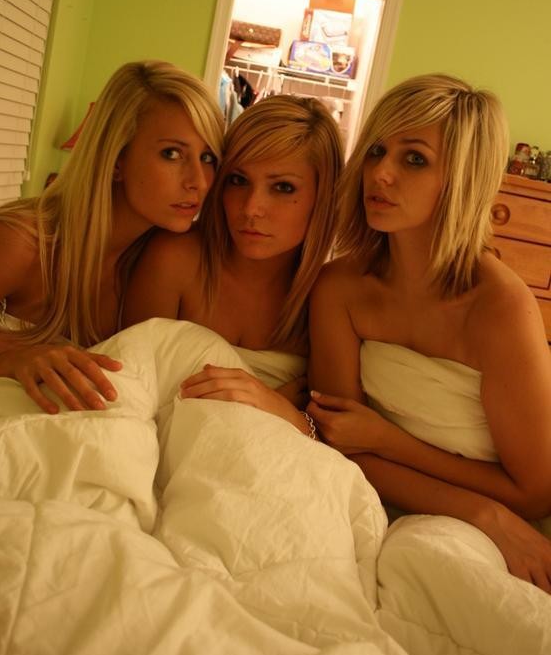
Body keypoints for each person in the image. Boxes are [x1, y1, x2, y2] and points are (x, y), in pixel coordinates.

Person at [306, 72, 551, 591]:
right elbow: (340, 441)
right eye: (376, 151)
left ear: (462, 179)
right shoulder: (340, 287)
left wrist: (390, 441)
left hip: (503, 527)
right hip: (368, 494)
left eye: (414, 159)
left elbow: (534, 493)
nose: (380, 173)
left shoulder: (500, 306)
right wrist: (477, 510)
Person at [0, 60, 224, 414]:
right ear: (116, 159)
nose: (198, 181)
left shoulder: (163, 260)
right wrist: (10, 363)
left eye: (208, 157)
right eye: (172, 154)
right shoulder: (19, 243)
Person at [123, 94, 345, 432]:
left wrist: (276, 407)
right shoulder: (176, 259)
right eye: (239, 180)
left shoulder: (327, 295)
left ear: (323, 198)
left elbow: (337, 438)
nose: (251, 208)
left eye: (283, 187)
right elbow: (129, 390)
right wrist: (272, 403)